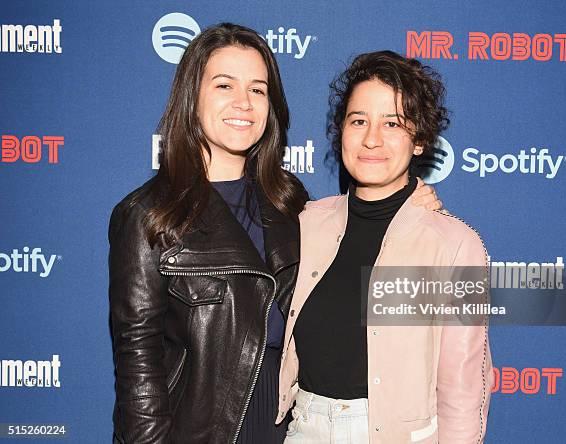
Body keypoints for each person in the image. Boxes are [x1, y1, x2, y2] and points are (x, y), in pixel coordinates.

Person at [109, 25, 442, 443]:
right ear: (192, 97)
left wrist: (412, 208)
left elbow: (359, 240)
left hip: (295, 427)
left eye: (258, 90)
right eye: (224, 85)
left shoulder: (289, 202)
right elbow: (138, 365)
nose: (243, 103)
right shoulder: (147, 215)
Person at [277, 51, 493, 443]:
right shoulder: (306, 224)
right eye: (358, 120)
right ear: (340, 131)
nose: (371, 138)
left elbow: (462, 392)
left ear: (420, 140)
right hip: (303, 428)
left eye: (392, 123)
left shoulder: (453, 245)